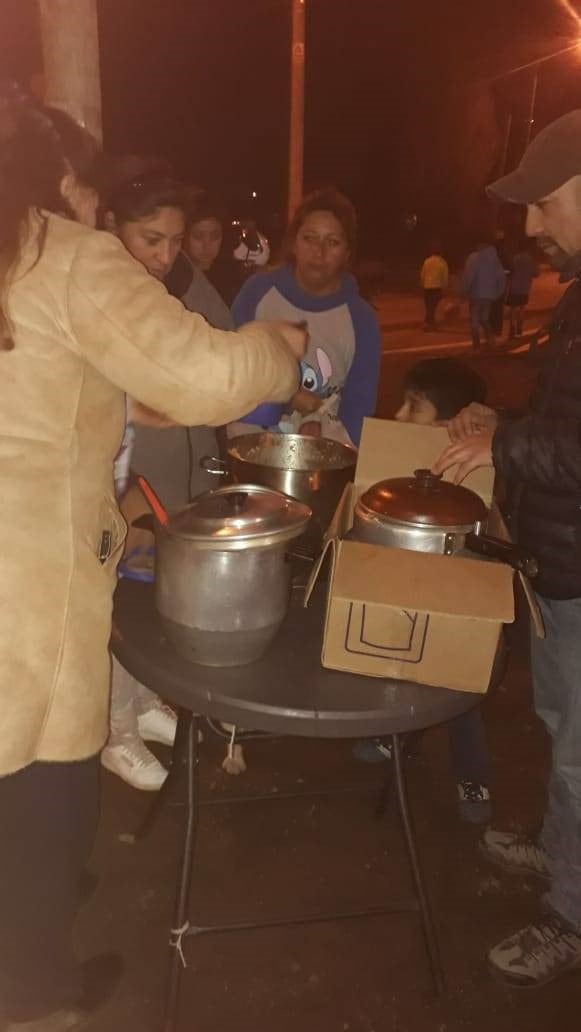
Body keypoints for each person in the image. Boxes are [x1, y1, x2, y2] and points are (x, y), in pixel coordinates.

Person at [0, 85, 304, 1032]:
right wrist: (278, 345)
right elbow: (212, 376)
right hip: (27, 571)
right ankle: (33, 986)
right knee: (45, 762)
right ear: (54, 175)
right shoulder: (59, 251)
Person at [432, 110, 581, 988]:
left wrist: (507, 449)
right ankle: (563, 847)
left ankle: (569, 914)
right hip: (561, 565)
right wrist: (507, 424)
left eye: (546, 201)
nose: (532, 224)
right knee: (564, 729)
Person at [101, 172, 234, 791]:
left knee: (155, 593)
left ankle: (144, 702)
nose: (165, 255)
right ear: (110, 226)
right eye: (150, 239)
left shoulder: (178, 283)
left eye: (176, 240)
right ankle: (116, 732)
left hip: (171, 472)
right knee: (119, 604)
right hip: (119, 476)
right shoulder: (99, 290)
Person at [355, 358, 492, 824]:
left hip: (455, 596)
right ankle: (392, 733)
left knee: (457, 689)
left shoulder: (480, 479)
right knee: (395, 660)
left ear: (447, 426)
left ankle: (472, 775)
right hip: (401, 584)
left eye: (413, 408)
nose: (397, 416)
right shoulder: (395, 468)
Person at [229, 188, 382, 446]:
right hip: (250, 449)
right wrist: (289, 395)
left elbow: (360, 411)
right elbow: (230, 367)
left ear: (347, 253)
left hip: (320, 461)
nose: (319, 252)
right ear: (294, 243)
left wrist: (324, 435)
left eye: (332, 242)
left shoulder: (361, 320)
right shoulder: (258, 293)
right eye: (309, 238)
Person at [462, 239, 507, 350]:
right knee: (484, 318)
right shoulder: (494, 259)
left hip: (476, 294)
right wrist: (498, 293)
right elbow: (501, 278)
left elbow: (469, 275)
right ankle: (490, 340)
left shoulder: (473, 258)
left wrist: (465, 290)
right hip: (489, 295)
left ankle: (476, 346)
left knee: (474, 320)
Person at [506, 241, 539, 340]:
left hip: (514, 287)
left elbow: (509, 271)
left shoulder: (514, 258)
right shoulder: (530, 259)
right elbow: (536, 273)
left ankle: (512, 328)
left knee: (513, 308)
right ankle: (519, 328)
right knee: (522, 308)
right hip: (524, 288)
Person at [420, 242, 449, 330]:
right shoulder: (443, 262)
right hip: (437, 287)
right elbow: (445, 276)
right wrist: (444, 287)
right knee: (432, 307)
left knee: (429, 307)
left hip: (427, 286)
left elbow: (422, 274)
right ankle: (429, 324)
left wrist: (422, 284)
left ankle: (428, 324)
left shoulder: (427, 261)